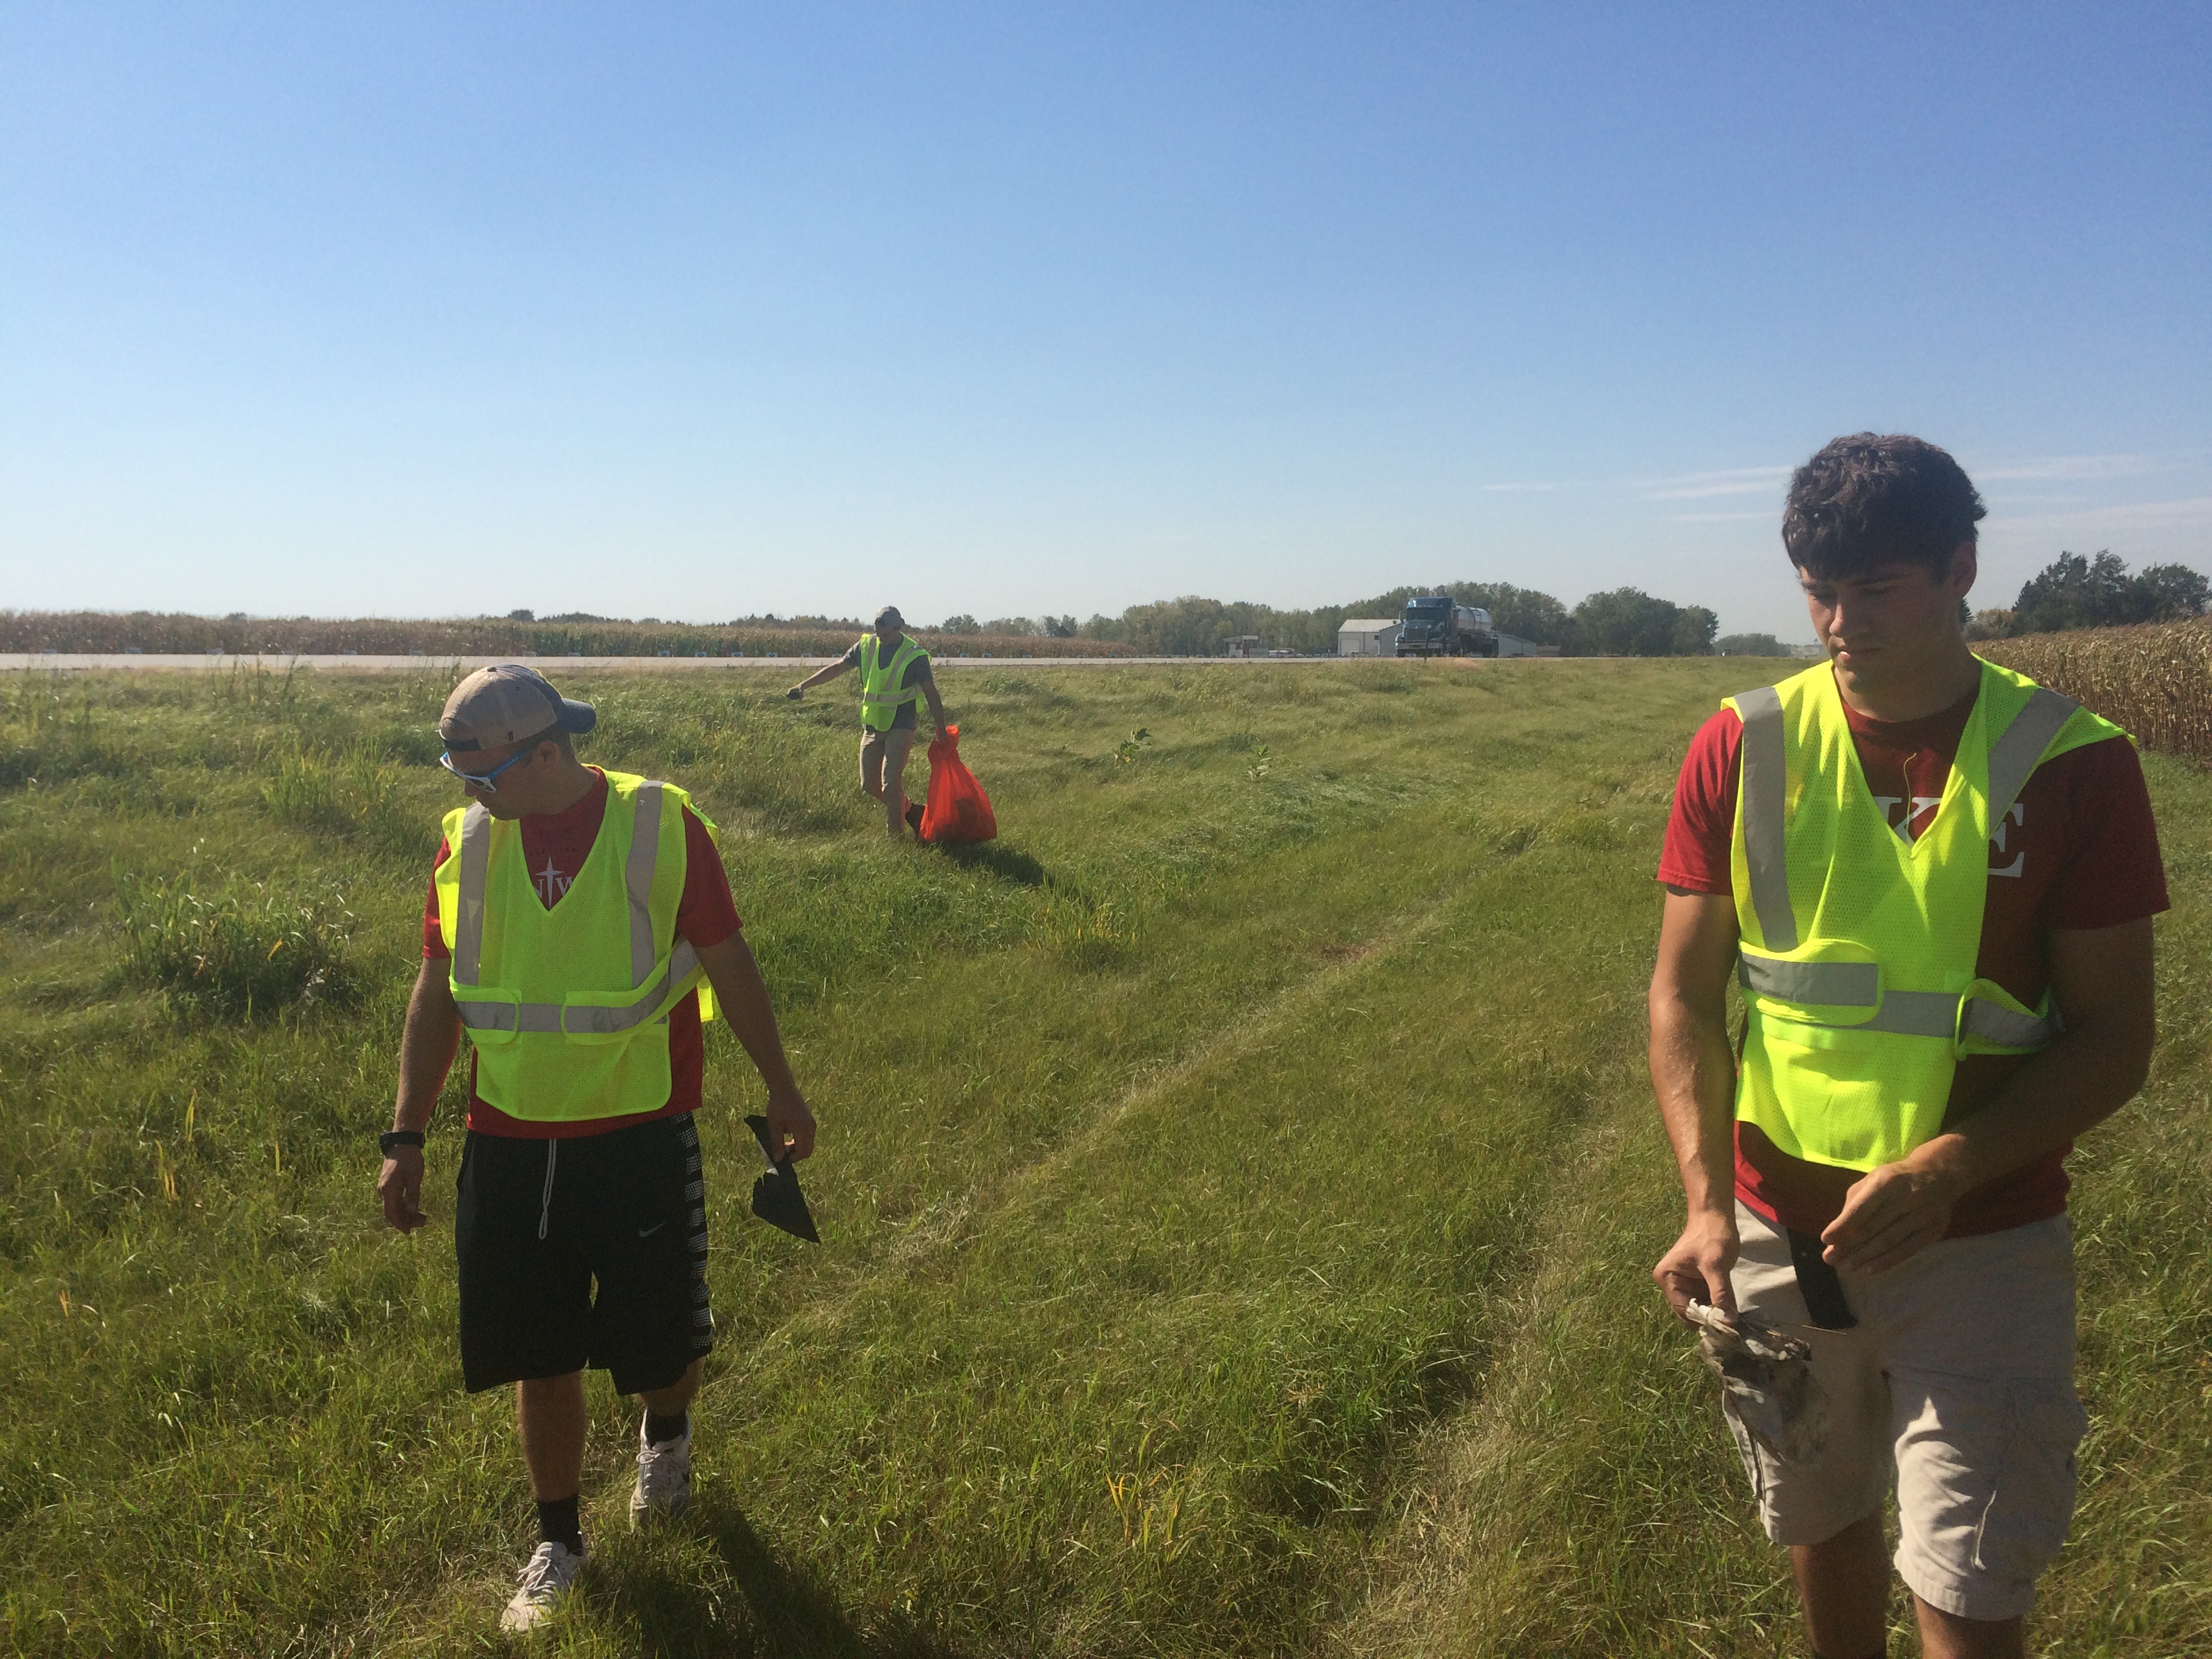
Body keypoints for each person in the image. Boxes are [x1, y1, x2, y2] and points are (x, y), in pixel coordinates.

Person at [1647, 434, 2167, 1659]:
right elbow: (1680, 995)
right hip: (1779, 1235)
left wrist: (1945, 1167)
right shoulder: (1740, 743)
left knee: (1967, 1585)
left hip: (1978, 1238)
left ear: (1958, 567)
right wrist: (1703, 1202)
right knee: (1819, 1524)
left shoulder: (2074, 764)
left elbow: (2113, 1038)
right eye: (1815, 591)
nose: (1837, 622)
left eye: (1872, 588)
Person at [375, 664, 817, 1633]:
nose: (465, 789)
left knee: (661, 1348)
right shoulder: (465, 844)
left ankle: (667, 1432)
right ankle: (559, 1541)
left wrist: (781, 1085)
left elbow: (730, 960)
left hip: (639, 1135)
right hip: (508, 1142)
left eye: (478, 770)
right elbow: (436, 992)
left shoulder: (659, 827)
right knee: (541, 1352)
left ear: (545, 752)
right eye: (456, 769)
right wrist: (406, 1132)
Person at [785, 605, 949, 839]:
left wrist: (941, 728)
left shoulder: (914, 655)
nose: (882, 638)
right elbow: (838, 667)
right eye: (878, 632)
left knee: (890, 783)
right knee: (868, 784)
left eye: (887, 634)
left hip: (901, 723)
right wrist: (804, 685)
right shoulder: (866, 646)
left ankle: (895, 839)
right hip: (872, 725)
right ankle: (912, 811)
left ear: (899, 628)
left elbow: (931, 693)